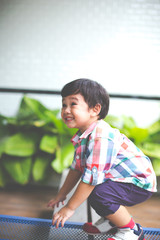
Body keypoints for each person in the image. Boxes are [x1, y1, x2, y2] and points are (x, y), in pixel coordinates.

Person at [47, 78, 157, 240]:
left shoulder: (101, 137)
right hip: (120, 180)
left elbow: (91, 179)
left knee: (98, 193)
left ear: (95, 109)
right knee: (96, 192)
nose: (66, 110)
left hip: (138, 183)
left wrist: (69, 208)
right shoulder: (84, 136)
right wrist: (62, 195)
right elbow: (76, 168)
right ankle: (111, 221)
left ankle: (132, 231)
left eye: (73, 104)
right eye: (64, 104)